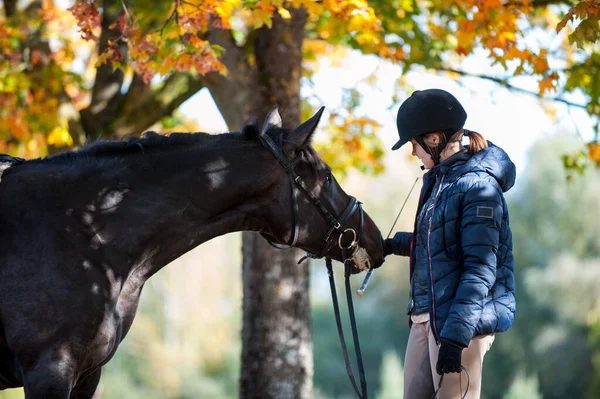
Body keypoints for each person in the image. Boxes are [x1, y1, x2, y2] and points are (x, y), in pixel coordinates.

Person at [384, 89, 516, 398]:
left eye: (414, 144)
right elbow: (437, 245)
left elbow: (479, 269)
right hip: (426, 313)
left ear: (433, 138)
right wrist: (387, 245)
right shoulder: (440, 181)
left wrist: (456, 338)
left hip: (460, 322)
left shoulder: (479, 186)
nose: (413, 153)